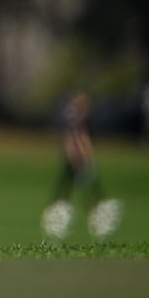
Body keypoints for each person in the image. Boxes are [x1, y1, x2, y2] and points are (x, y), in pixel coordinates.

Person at [41, 91, 122, 240]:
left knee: (73, 190)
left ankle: (93, 214)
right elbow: (76, 141)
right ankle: (93, 214)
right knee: (77, 190)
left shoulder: (77, 120)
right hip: (77, 161)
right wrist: (82, 157)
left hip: (76, 160)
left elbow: (78, 141)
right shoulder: (76, 121)